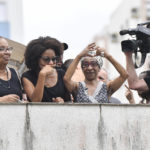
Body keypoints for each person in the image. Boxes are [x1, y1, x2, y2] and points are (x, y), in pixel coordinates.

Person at [64, 43, 128, 103]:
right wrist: (79, 56)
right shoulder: (77, 87)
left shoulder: (107, 88)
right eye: (85, 64)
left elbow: (124, 75)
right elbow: (66, 79)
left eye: (93, 64)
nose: (89, 68)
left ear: (99, 68)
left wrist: (108, 56)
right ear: (82, 68)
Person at [21, 36, 71, 103]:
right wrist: (42, 75)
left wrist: (61, 102)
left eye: (53, 59)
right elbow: (35, 101)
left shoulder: (61, 73)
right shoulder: (27, 77)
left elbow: (69, 100)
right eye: (46, 59)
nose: (51, 63)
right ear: (36, 59)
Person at [0, 36, 23, 102]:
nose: (7, 52)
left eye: (8, 49)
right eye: (1, 49)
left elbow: (22, 97)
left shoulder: (14, 72)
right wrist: (2, 100)